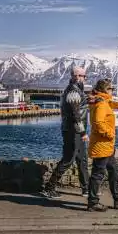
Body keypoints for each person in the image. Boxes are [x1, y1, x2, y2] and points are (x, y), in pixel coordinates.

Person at [40, 66, 90, 199]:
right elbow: (75, 115)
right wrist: (83, 132)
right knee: (68, 159)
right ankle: (49, 188)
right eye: (84, 76)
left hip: (75, 131)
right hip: (73, 132)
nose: (85, 79)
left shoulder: (77, 90)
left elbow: (80, 106)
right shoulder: (73, 92)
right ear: (77, 76)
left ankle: (86, 189)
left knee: (82, 160)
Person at [87, 79, 118, 212]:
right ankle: (93, 202)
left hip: (107, 146)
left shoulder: (103, 101)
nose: (112, 90)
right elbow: (98, 123)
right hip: (102, 144)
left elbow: (112, 104)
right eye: (111, 88)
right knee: (98, 174)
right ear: (105, 90)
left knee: (114, 171)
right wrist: (110, 134)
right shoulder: (101, 104)